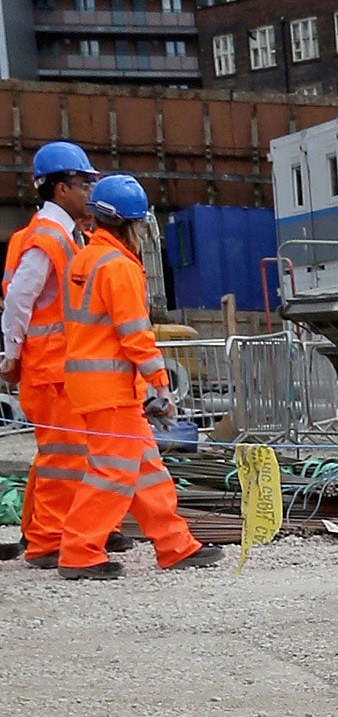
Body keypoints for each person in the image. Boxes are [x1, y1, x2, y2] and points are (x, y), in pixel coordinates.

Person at [59, 175, 219, 579]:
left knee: (148, 471)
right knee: (111, 473)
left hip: (96, 387)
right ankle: (79, 552)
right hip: (111, 391)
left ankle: (174, 545)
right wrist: (162, 385)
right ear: (133, 224)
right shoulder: (119, 268)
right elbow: (135, 335)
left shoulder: (84, 258)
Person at [0, 142, 98, 566]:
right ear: (60, 189)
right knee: (63, 455)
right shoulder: (49, 239)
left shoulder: (60, 235)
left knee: (57, 453)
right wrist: (10, 355)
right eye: (83, 183)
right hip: (51, 368)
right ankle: (47, 541)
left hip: (57, 367)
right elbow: (19, 301)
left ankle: (51, 531)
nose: (89, 191)